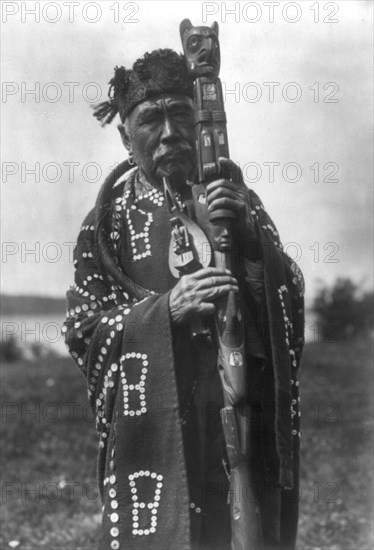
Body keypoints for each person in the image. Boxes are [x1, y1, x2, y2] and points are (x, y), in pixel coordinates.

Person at [63, 48, 305, 550]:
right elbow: (84, 330)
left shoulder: (236, 203)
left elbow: (290, 302)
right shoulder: (105, 224)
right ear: (126, 134)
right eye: (151, 119)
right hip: (156, 430)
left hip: (240, 419)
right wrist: (164, 313)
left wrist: (254, 249)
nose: (171, 133)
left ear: (199, 123)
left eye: (182, 114)